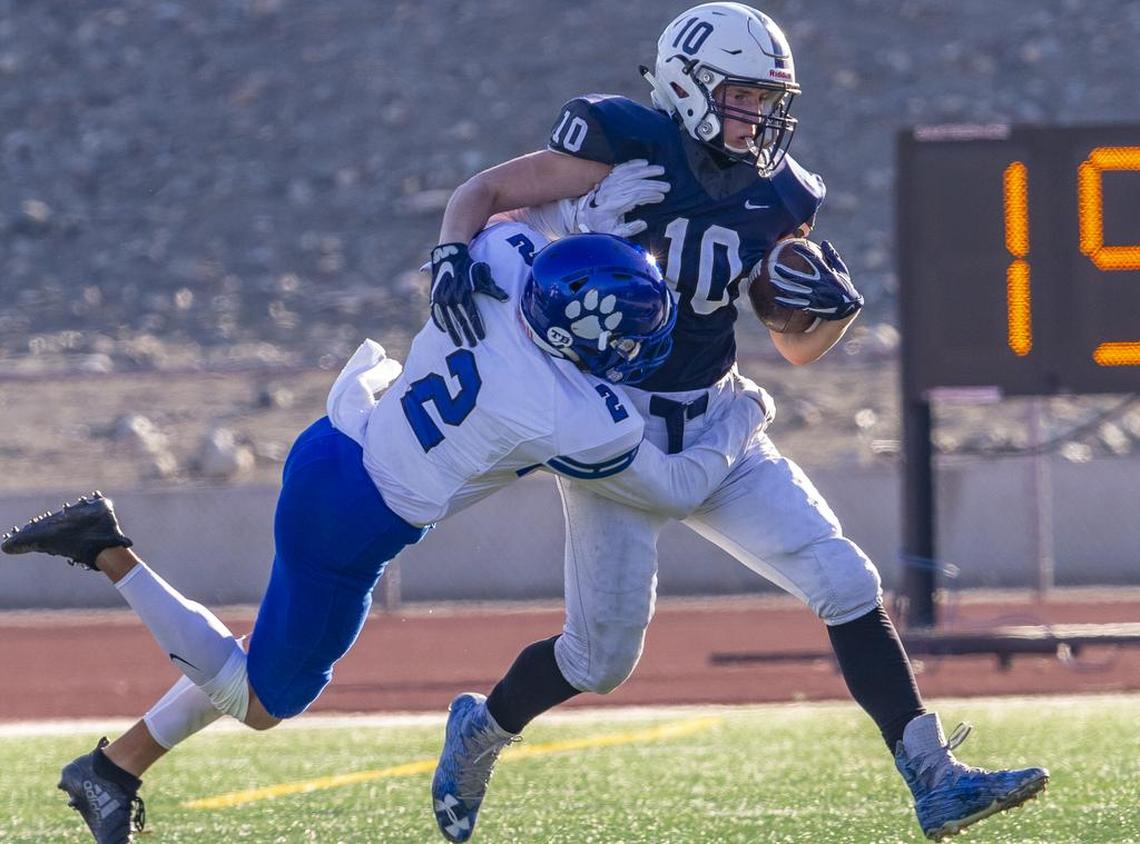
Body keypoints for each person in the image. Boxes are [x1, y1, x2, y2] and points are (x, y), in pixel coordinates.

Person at [425, 4, 1048, 842]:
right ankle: (482, 728)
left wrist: (826, 313)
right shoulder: (619, 141)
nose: (758, 116)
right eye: (744, 96)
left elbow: (792, 346)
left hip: (718, 420)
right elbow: (486, 194)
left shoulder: (780, 189)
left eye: (767, 100)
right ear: (689, 85)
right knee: (599, 660)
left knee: (847, 581)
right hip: (614, 431)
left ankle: (934, 777)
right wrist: (452, 253)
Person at [2, 228, 775, 844]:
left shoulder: (507, 258)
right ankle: (104, 548)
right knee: (261, 700)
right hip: (351, 528)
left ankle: (114, 771)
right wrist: (746, 415)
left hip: (335, 443)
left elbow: (498, 206)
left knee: (268, 651)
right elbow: (676, 488)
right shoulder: (574, 413)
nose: (637, 350)